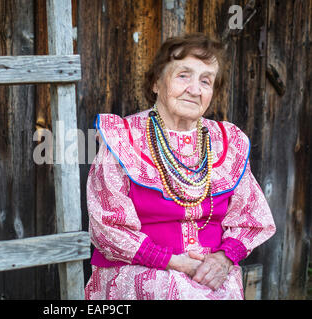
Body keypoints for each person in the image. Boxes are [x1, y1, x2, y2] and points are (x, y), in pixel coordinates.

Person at [84, 33, 276, 300]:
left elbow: (250, 217)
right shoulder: (123, 138)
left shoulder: (227, 142)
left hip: (211, 274)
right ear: (155, 82)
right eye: (183, 75)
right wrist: (175, 262)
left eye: (205, 81)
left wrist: (223, 258)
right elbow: (108, 227)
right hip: (140, 273)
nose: (195, 89)